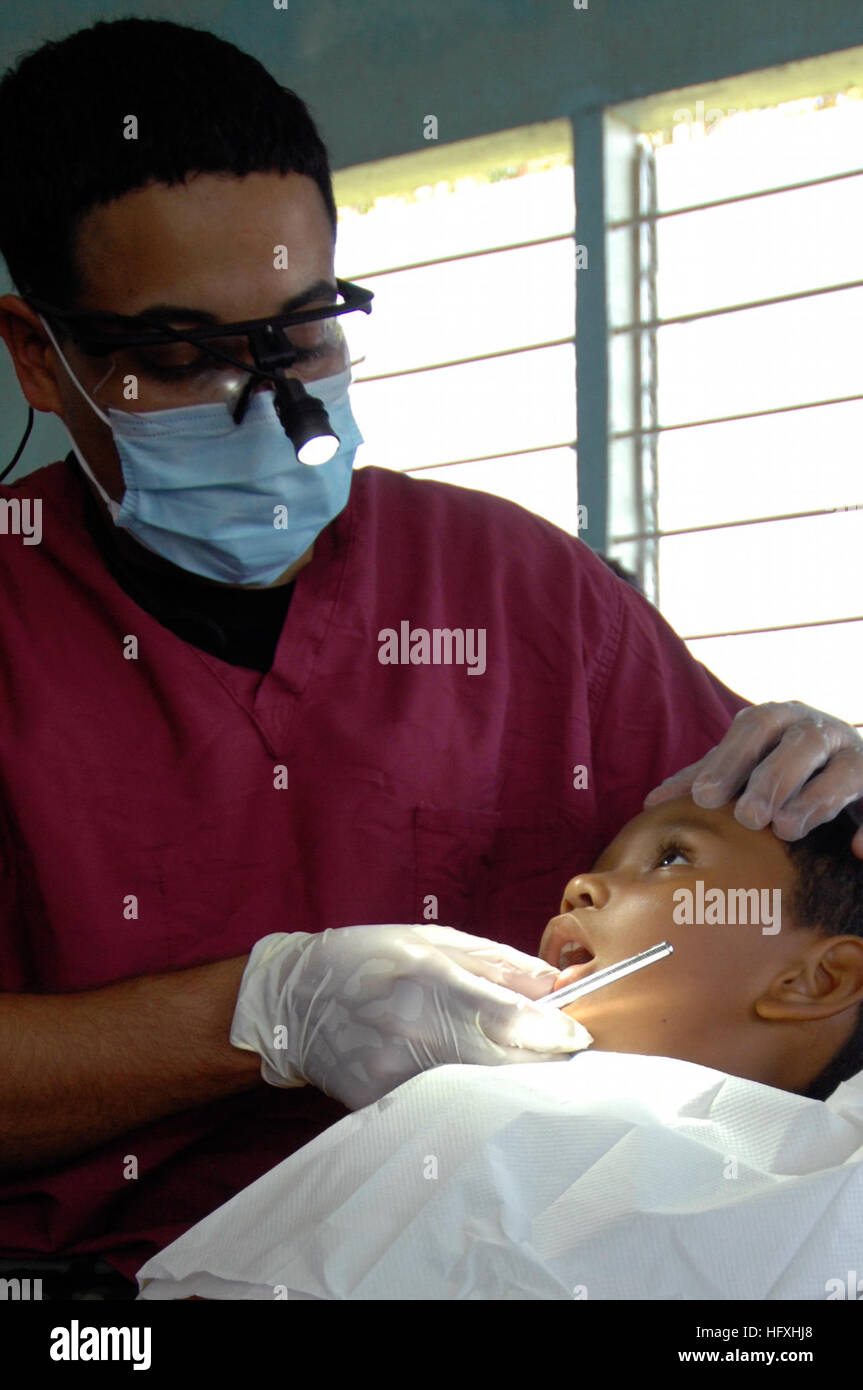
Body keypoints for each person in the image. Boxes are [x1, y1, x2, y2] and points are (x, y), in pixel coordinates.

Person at [0, 18, 861, 1299]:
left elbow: (804, 886)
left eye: (301, 335)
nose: (270, 408)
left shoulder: (519, 592)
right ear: (41, 358)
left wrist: (838, 772)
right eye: (179, 356)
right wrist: (264, 1010)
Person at [136, 793, 863, 1300]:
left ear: (817, 979)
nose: (580, 885)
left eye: (671, 860)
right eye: (599, 863)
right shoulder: (463, 1111)